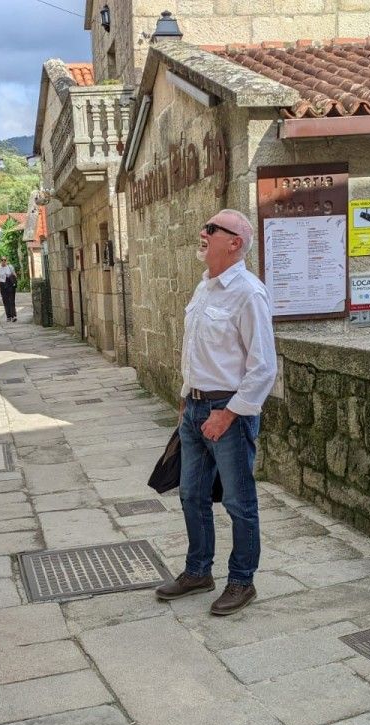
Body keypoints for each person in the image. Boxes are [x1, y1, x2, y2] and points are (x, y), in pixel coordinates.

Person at [154, 209, 277, 616]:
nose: (202, 233)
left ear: (234, 242)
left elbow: (263, 367)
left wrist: (228, 414)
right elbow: (196, 350)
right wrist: (186, 399)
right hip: (195, 408)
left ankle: (242, 581)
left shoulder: (248, 292)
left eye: (211, 229)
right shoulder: (204, 288)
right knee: (191, 494)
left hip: (229, 411)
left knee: (240, 502)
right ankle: (197, 572)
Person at [0, 256, 18, 323]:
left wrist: (13, 277)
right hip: (3, 285)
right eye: (2, 260)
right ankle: (8, 316)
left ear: (6, 260)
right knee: (5, 301)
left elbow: (15, 275)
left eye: (5, 260)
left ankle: (14, 316)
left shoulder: (10, 267)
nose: (3, 261)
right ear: (0, 261)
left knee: (12, 300)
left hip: (10, 285)